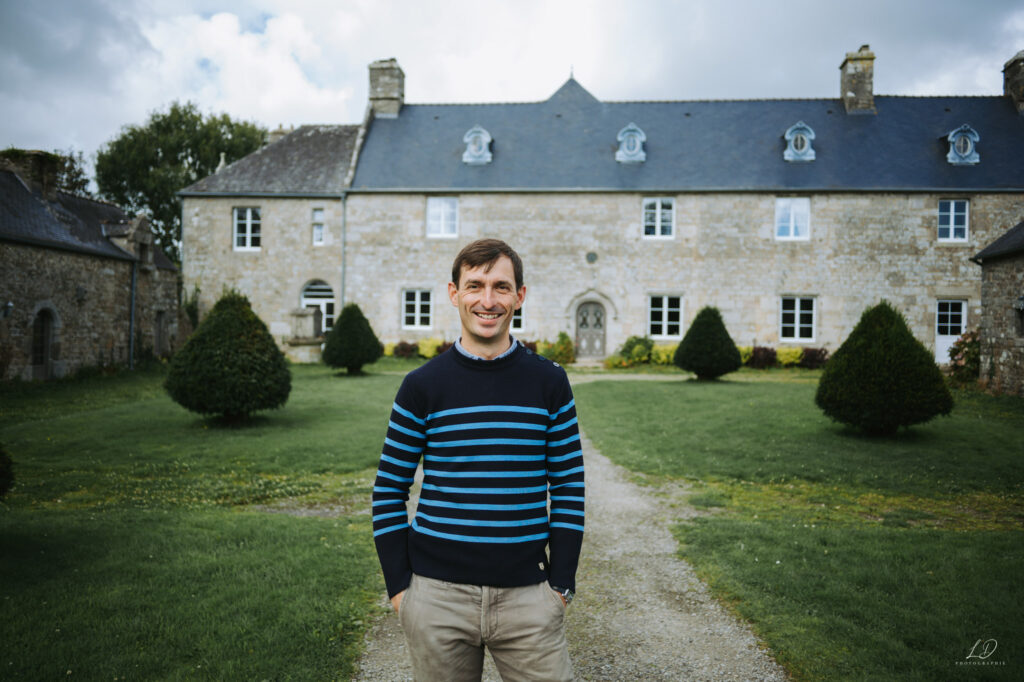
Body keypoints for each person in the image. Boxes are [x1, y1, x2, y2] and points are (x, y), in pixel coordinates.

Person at [372, 238, 585, 681]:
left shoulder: (550, 383)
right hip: (436, 599)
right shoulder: (421, 386)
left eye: (501, 287)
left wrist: (560, 586)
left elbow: (568, 487)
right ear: (454, 294)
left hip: (529, 599)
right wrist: (400, 591)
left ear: (519, 296)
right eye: (475, 286)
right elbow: (389, 489)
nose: (487, 301)